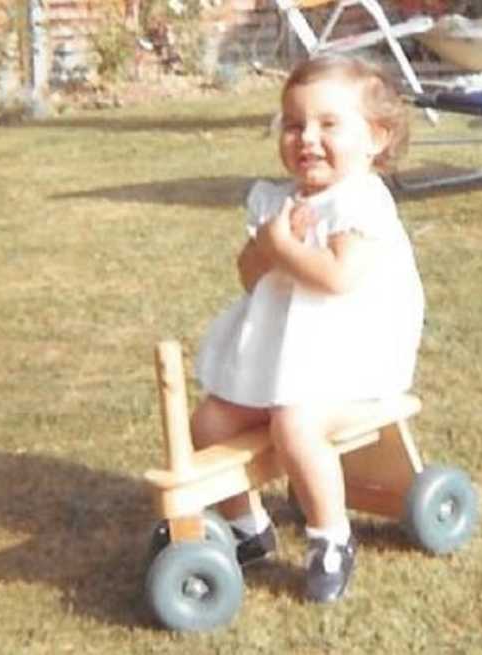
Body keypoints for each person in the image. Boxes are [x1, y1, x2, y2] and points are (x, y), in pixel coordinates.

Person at [191, 55, 424, 603]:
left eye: (328, 124)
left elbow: (338, 278)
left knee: (295, 426)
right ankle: (248, 528)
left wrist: (286, 248)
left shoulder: (362, 201)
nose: (307, 138)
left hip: (351, 358)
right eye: (294, 124)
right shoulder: (278, 201)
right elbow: (249, 278)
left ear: (375, 137)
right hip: (285, 355)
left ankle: (331, 538)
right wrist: (264, 246)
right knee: (211, 421)